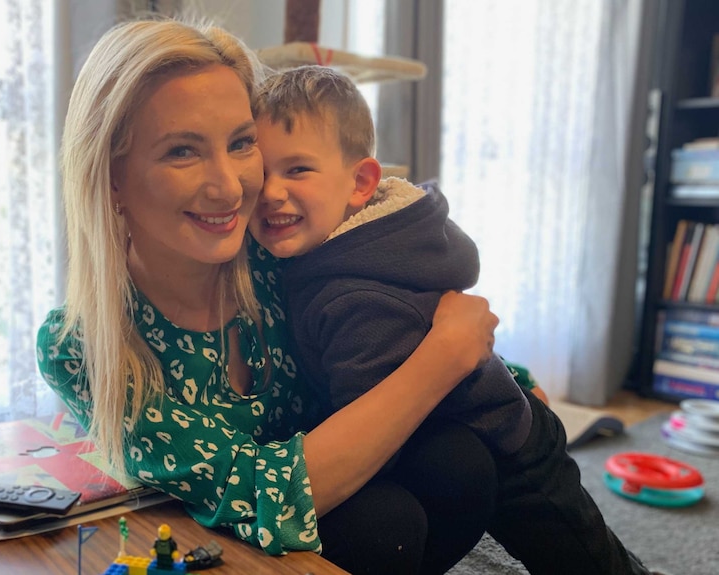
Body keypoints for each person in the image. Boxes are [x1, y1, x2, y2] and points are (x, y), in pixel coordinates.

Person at [36, 17, 502, 575]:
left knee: (462, 464)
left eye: (240, 144)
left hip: (347, 477)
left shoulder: (279, 251)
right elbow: (266, 495)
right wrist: (443, 359)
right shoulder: (83, 345)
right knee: (383, 527)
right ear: (111, 177)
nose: (231, 186)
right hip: (216, 538)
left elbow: (392, 321)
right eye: (183, 151)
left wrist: (505, 378)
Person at [248, 64, 654, 574]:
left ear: (361, 183)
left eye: (297, 170)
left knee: (582, 555)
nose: (270, 192)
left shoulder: (353, 298)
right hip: (472, 429)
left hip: (511, 450)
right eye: (260, 173)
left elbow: (373, 434)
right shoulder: (347, 248)